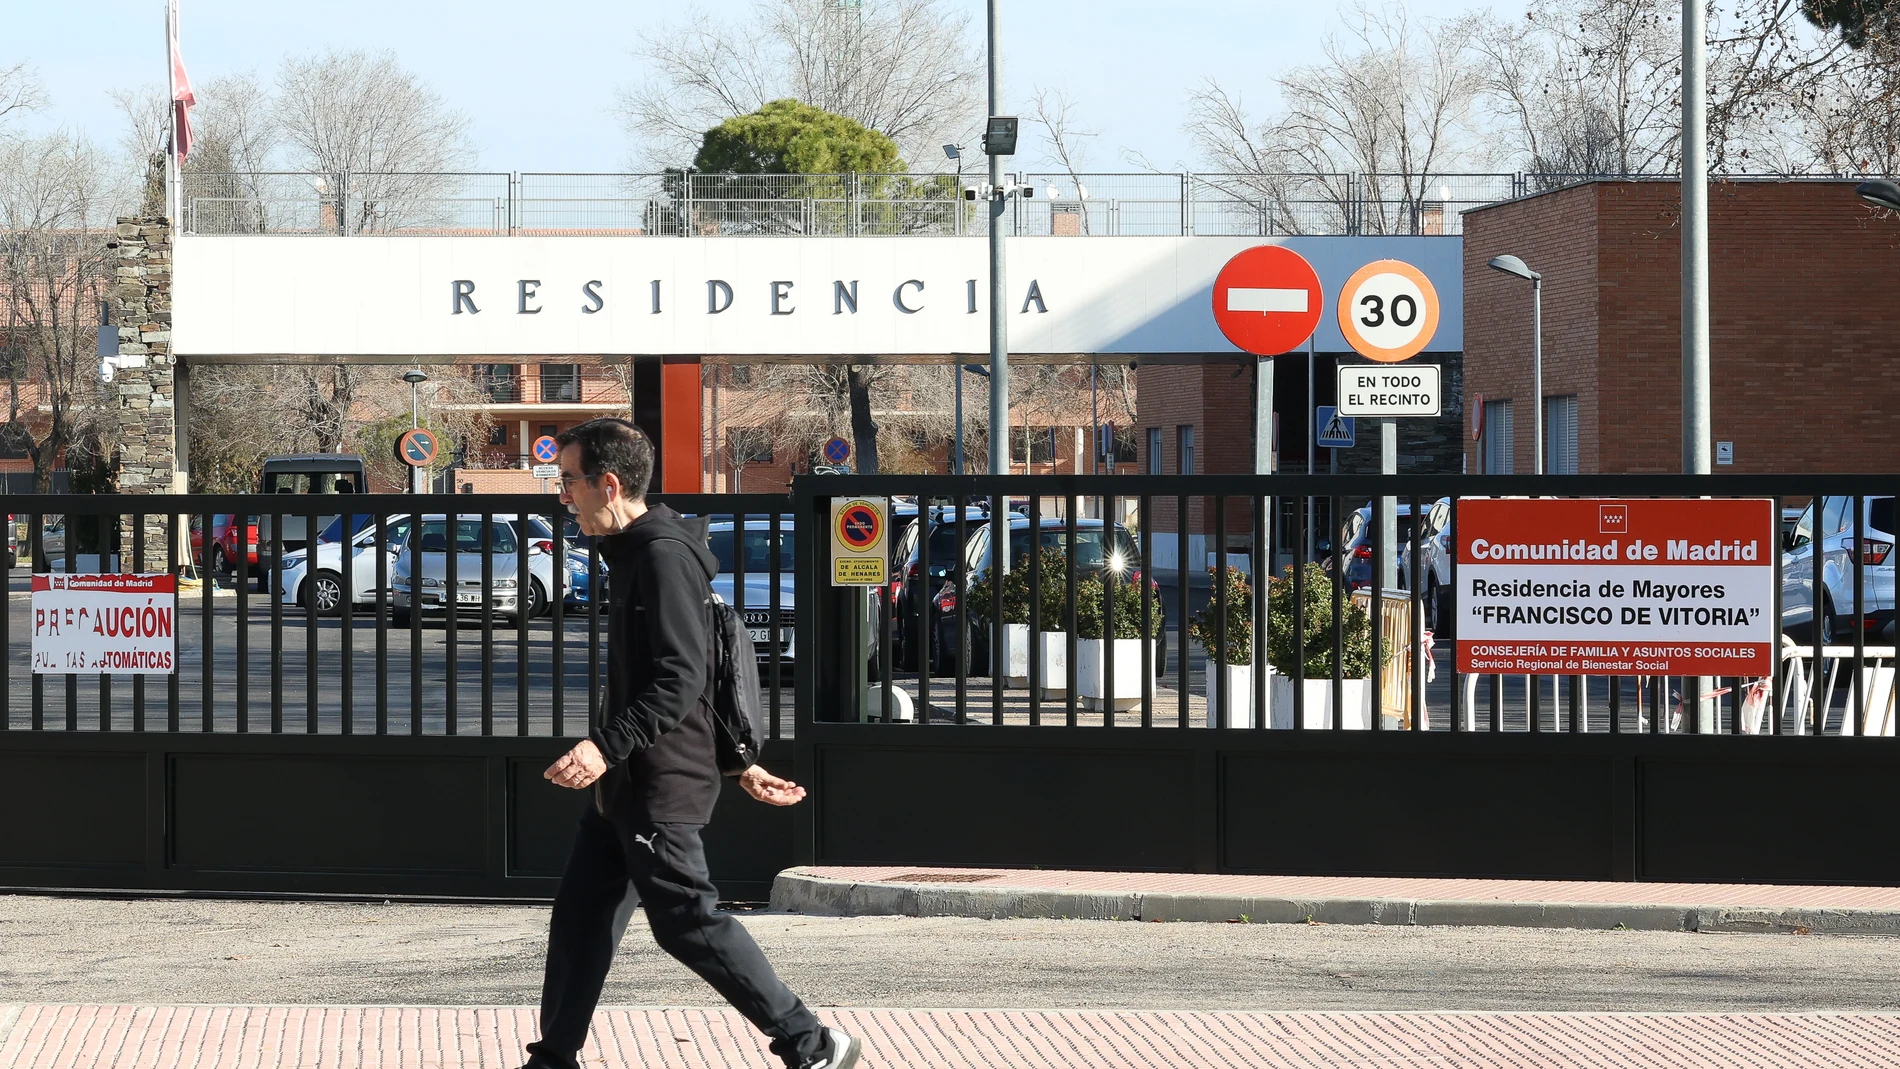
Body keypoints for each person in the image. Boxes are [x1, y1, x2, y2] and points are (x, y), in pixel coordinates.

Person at [522, 418, 860, 1069]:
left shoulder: (661, 557)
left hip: (658, 783)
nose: (562, 495)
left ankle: (813, 1041)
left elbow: (683, 676)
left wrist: (603, 746)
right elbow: (692, 675)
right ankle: (553, 1058)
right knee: (580, 921)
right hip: (623, 783)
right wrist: (738, 763)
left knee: (687, 921)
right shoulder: (633, 553)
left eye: (568, 481)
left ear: (609, 483)